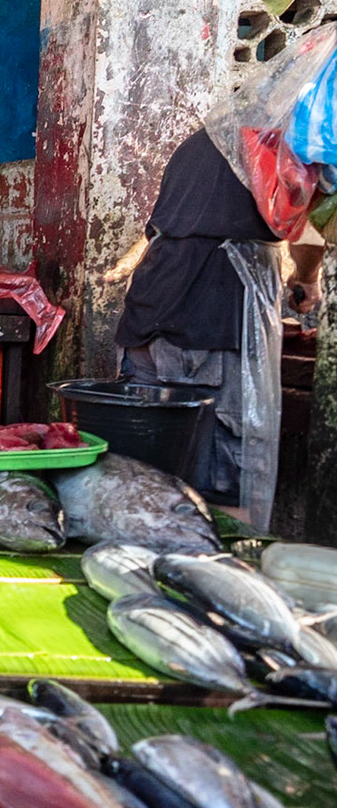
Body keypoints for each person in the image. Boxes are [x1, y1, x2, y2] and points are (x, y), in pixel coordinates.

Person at [116, 127, 284, 517]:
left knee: (144, 475)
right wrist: (308, 280)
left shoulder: (203, 139)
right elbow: (311, 231)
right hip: (205, 330)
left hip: (148, 316)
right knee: (223, 486)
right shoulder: (284, 141)